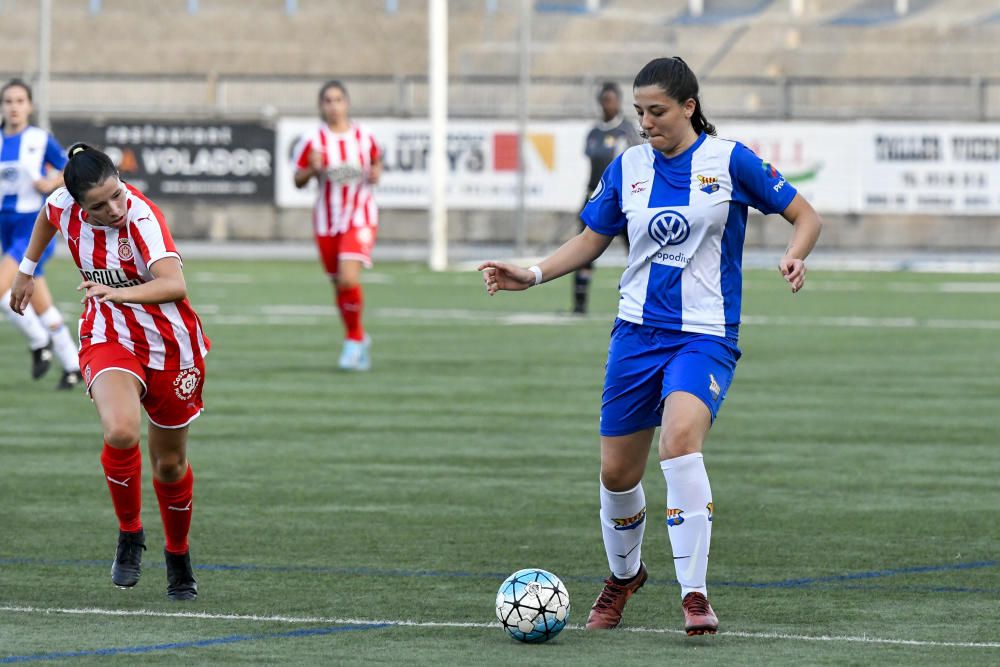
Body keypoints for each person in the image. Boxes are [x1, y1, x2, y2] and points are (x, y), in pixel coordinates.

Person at [479, 57, 822, 635]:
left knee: (680, 441)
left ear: (689, 107)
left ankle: (695, 594)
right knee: (617, 474)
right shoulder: (628, 166)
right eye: (640, 112)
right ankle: (625, 575)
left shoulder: (730, 160)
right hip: (635, 335)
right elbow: (593, 237)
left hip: (705, 334)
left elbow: (805, 214)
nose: (646, 122)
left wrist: (796, 252)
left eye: (657, 111)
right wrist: (532, 274)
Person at [10, 143, 211, 601]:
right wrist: (26, 269)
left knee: (170, 462)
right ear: (79, 203)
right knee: (120, 431)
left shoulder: (142, 217)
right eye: (98, 205)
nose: (114, 208)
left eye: (117, 194)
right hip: (109, 334)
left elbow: (174, 283)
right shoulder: (65, 204)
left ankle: (177, 555)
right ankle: (130, 533)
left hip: (170, 345)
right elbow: (46, 214)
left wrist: (117, 293)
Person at [292, 80, 382, 371]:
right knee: (339, 284)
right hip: (327, 220)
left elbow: (377, 165)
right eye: (328, 101)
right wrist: (312, 169)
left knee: (347, 277)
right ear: (321, 106)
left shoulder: (365, 136)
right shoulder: (313, 140)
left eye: (338, 100)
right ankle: (356, 336)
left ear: (347, 103)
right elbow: (298, 179)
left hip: (359, 215)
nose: (334, 106)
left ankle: (354, 339)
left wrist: (375, 172)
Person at [0, 78, 81, 388]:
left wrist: (51, 183)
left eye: (20, 101)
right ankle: (73, 364)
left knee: (2, 288)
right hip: (4, 225)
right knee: (39, 302)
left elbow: (68, 171)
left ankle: (38, 343)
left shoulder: (39, 138)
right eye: (8, 101)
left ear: (29, 106)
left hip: (32, 227)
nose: (14, 107)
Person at [572, 81, 643, 315]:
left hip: (623, 201)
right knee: (583, 251)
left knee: (636, 251)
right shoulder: (593, 132)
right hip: (594, 198)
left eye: (611, 100)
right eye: (604, 100)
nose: (608, 105)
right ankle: (579, 305)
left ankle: (641, 301)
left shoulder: (627, 130)